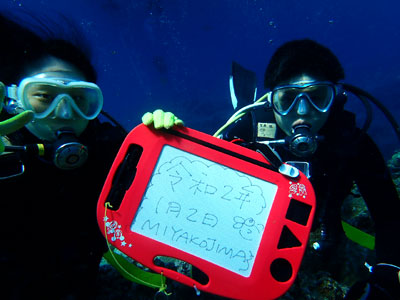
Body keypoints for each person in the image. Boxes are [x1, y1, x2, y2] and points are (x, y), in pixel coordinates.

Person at [144, 39, 400, 299]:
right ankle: (245, 100)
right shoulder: (245, 133)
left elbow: (390, 215)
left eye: (318, 98)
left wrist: (387, 277)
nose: (302, 112)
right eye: (287, 99)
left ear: (335, 98)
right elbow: (197, 193)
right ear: (271, 100)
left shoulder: (353, 144)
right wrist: (173, 143)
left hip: (321, 231)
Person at [0, 13, 126, 299]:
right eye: (44, 97)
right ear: (13, 99)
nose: (64, 112)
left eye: (80, 98)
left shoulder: (110, 152)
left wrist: (163, 140)